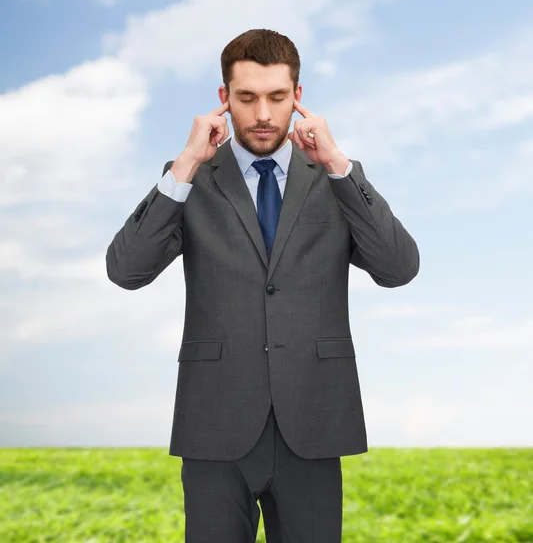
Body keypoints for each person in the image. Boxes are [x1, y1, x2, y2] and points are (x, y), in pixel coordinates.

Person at [106, 28, 420, 542]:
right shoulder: (192, 180)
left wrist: (340, 167)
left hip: (314, 418)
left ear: (298, 97)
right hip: (215, 420)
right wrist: (183, 165)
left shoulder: (332, 179)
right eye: (247, 98)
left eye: (277, 97)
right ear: (223, 99)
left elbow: (398, 267)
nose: (263, 114)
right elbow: (126, 270)